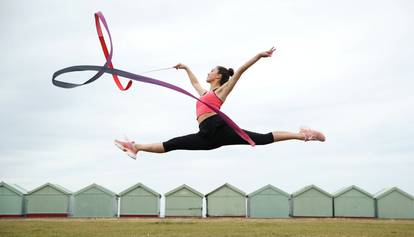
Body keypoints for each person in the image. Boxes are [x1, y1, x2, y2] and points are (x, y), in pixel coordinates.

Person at [114, 47, 325, 159]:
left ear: (218, 76)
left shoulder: (221, 92)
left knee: (261, 138)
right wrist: (186, 67)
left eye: (211, 70)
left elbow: (240, 70)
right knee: (173, 144)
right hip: (207, 136)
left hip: (218, 128)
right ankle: (136, 148)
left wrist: (259, 56)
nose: (208, 72)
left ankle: (303, 135)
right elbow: (195, 82)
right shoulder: (205, 93)